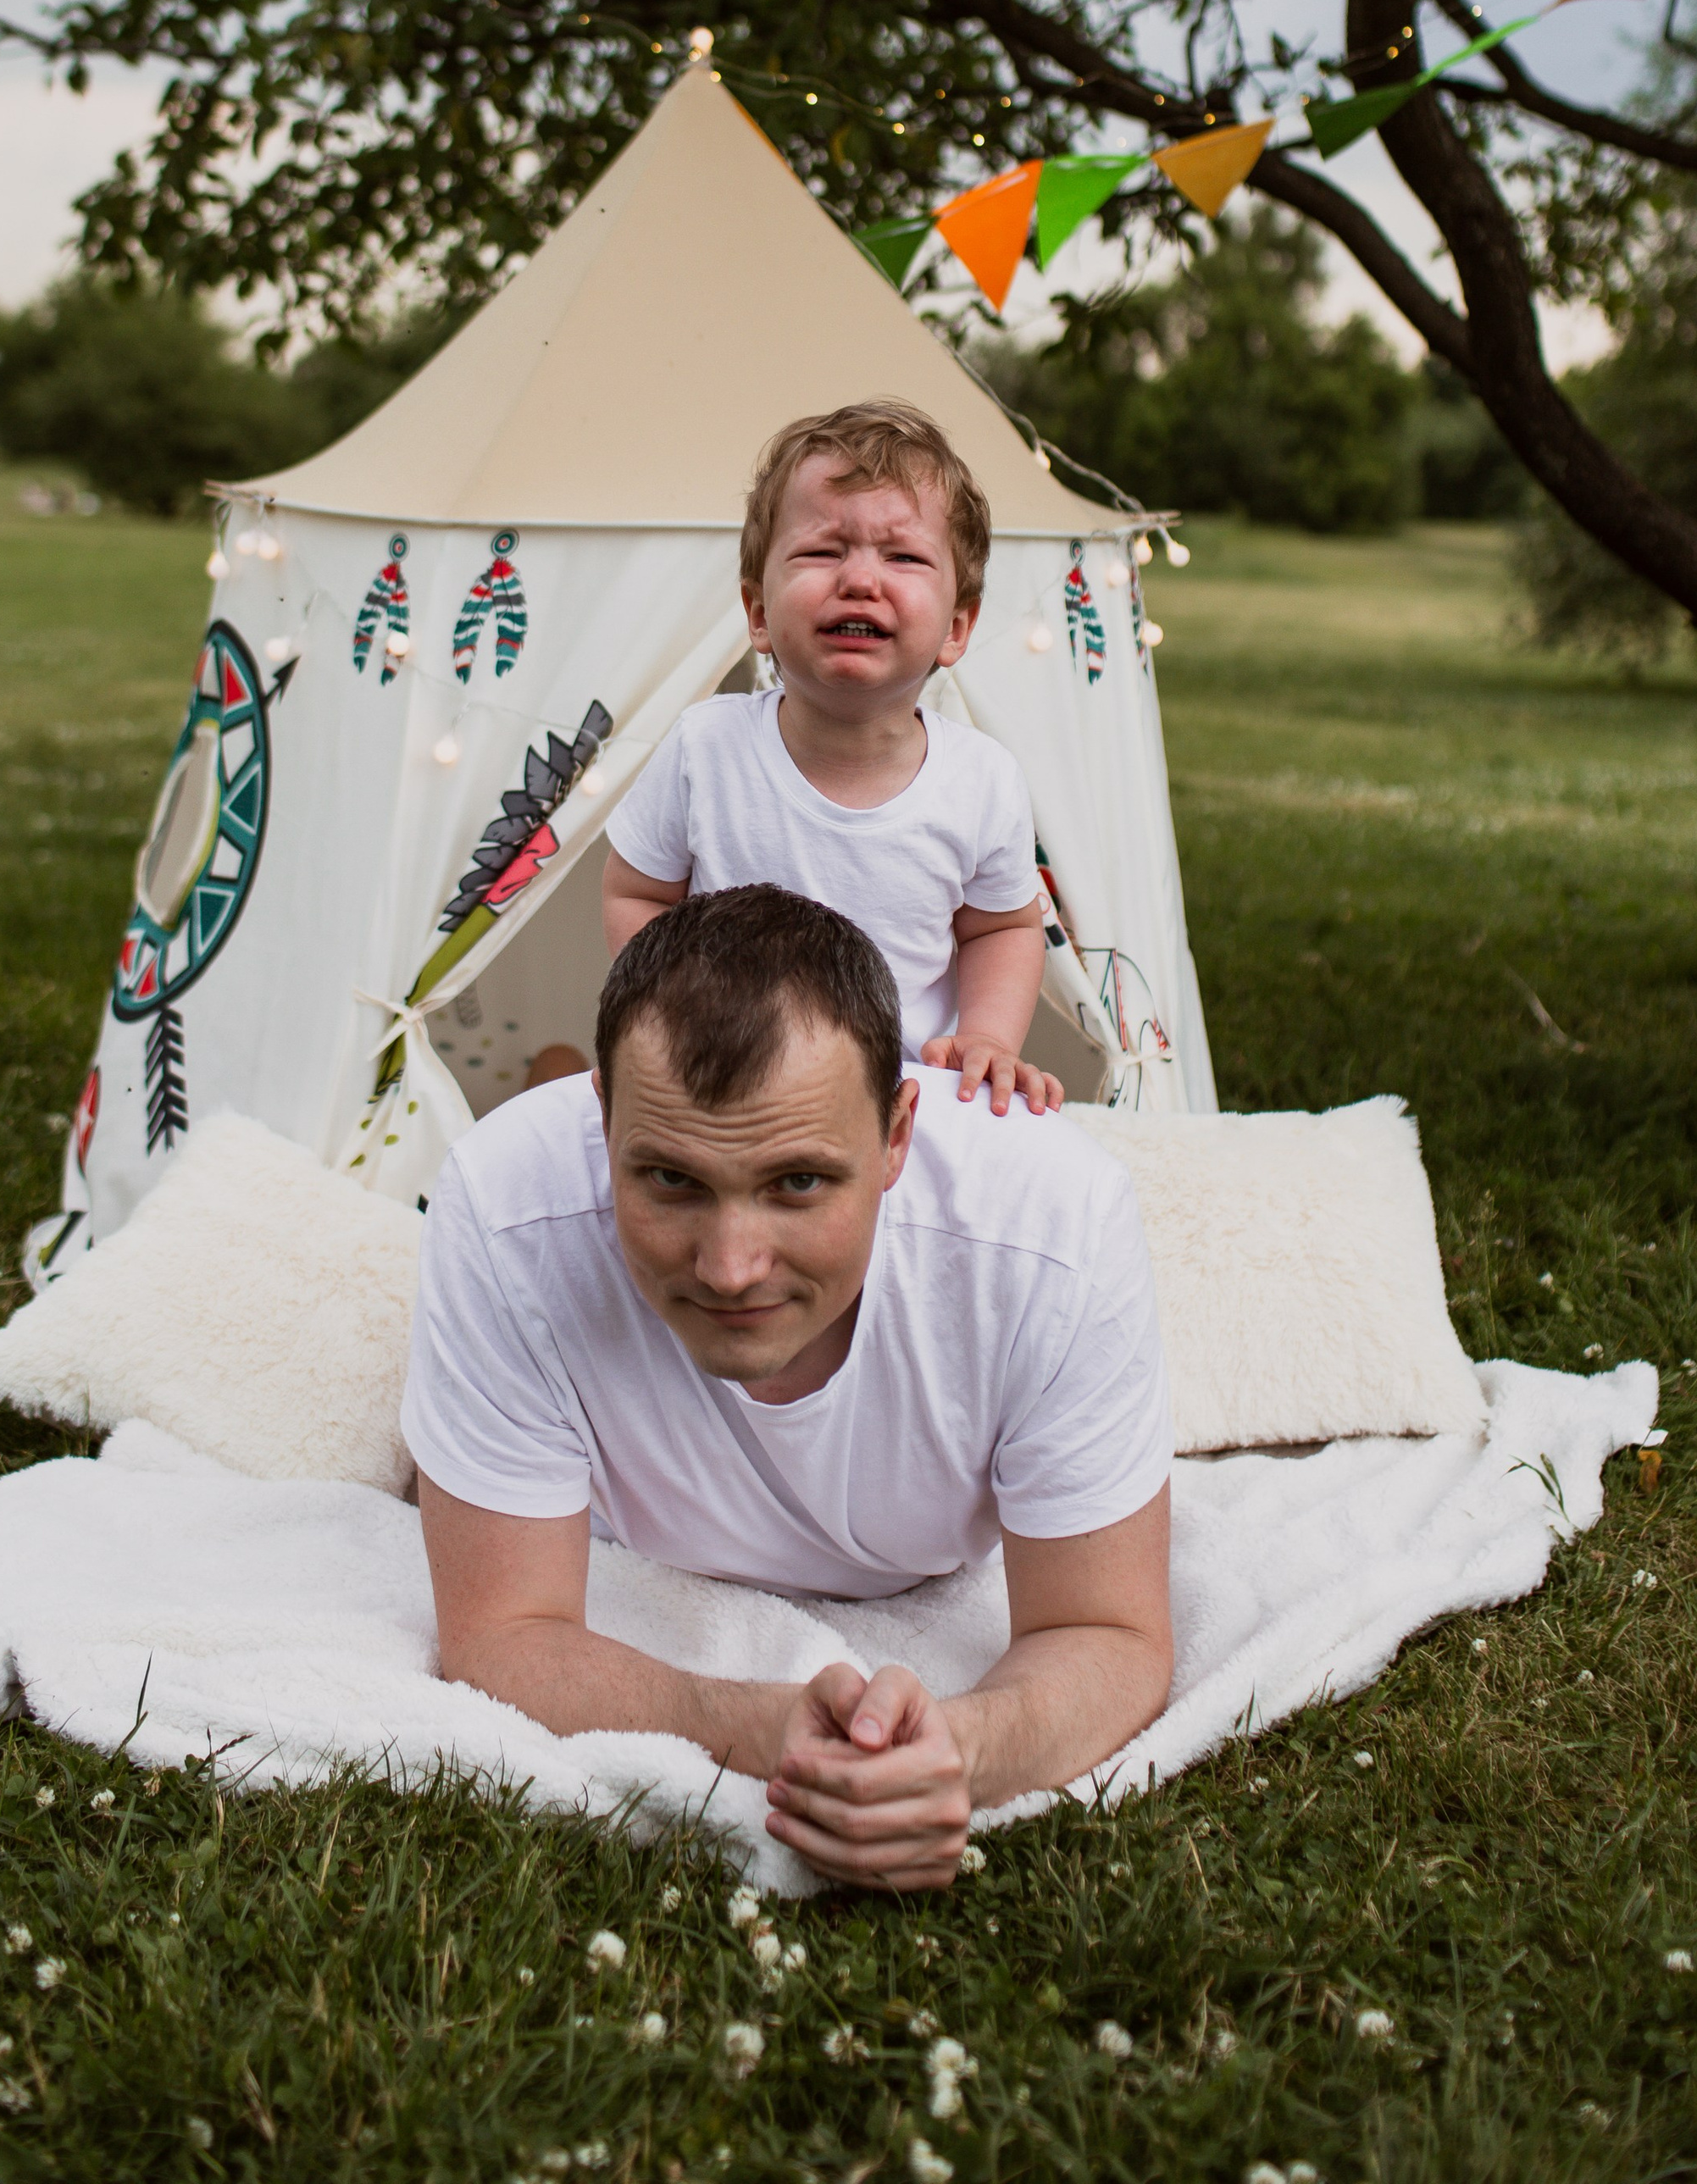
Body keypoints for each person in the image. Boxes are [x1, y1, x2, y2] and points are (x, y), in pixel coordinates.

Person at [405, 886, 1173, 1891]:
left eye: (797, 1183)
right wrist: (746, 1725)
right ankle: (550, 1073)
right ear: (602, 1125)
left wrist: (959, 1751)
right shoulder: (501, 1203)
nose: (731, 1268)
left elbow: (1109, 1630)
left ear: (899, 1132)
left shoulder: (1053, 1229)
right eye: (671, 1180)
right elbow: (502, 1631)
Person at [602, 398, 1062, 1117]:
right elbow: (637, 892)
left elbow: (1002, 926)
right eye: (822, 551)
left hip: (909, 1095)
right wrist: (666, 1014)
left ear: (956, 628)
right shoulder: (706, 750)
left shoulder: (982, 781)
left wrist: (986, 1035)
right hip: (728, 1081)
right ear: (758, 613)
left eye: (903, 556)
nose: (860, 580)